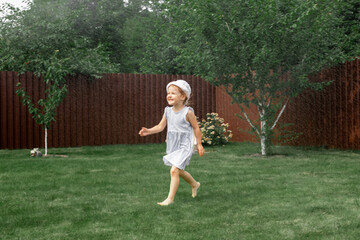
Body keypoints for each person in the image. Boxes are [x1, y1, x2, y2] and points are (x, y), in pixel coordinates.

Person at [139, 80, 205, 206]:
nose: (169, 95)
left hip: (185, 145)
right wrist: (148, 131)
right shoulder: (167, 111)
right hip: (173, 145)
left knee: (174, 170)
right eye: (168, 93)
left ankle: (170, 199)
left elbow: (196, 128)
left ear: (183, 96)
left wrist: (199, 144)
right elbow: (160, 127)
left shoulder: (188, 112)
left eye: (173, 93)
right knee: (178, 170)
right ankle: (195, 184)